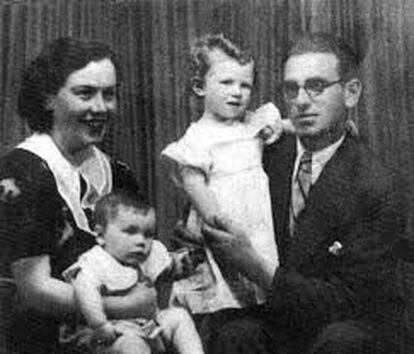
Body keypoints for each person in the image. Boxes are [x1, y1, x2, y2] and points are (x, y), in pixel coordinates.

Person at [202, 32, 409, 354]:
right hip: (283, 318)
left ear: (351, 93)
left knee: (340, 341)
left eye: (316, 86)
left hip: (354, 325)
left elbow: (347, 300)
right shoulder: (264, 157)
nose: (300, 100)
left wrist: (257, 267)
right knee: (235, 334)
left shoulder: (378, 186)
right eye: (291, 88)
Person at [0, 37, 155, 353]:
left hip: (120, 334)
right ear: (48, 98)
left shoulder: (119, 174)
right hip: (47, 338)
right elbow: (35, 290)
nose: (100, 107)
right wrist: (123, 307)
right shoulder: (21, 172)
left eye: (109, 95)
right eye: (85, 93)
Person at [161, 34, 292, 314]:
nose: (237, 92)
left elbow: (285, 126)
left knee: (262, 271)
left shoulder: (252, 125)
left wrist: (323, 129)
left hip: (258, 220)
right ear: (200, 87)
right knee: (228, 288)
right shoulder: (198, 137)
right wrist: (216, 220)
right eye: (226, 83)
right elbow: (193, 181)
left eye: (245, 85)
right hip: (225, 220)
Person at [61, 191, 204, 354]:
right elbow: (85, 292)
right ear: (101, 235)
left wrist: (181, 264)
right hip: (106, 335)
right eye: (130, 232)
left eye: (148, 234)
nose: (140, 241)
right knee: (133, 346)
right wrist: (99, 324)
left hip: (144, 326)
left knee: (179, 317)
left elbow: (166, 268)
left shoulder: (148, 256)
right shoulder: (95, 261)